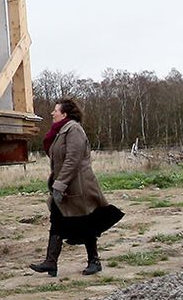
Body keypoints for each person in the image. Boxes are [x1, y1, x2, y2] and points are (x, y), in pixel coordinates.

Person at [30, 97, 123, 277]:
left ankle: (94, 261)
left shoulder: (74, 130)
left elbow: (73, 160)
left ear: (64, 113)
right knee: (57, 220)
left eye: (55, 110)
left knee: (86, 221)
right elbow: (57, 157)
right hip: (65, 186)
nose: (52, 113)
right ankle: (51, 262)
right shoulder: (60, 131)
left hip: (78, 186)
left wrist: (60, 184)